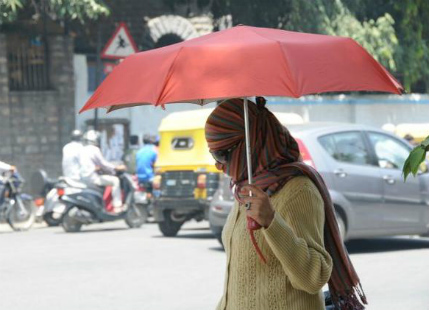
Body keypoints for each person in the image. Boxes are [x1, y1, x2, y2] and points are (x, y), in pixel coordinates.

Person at [205, 98, 367, 310]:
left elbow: (314, 277)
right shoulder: (246, 190)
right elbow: (237, 286)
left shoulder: (299, 190)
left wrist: (271, 222)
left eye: (221, 154)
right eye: (212, 154)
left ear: (250, 143)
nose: (218, 165)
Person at [79, 130, 126, 213]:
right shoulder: (94, 149)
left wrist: (97, 168)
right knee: (115, 181)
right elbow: (103, 163)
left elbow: (90, 164)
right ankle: (117, 206)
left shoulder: (82, 150)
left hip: (83, 177)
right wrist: (116, 168)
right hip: (92, 178)